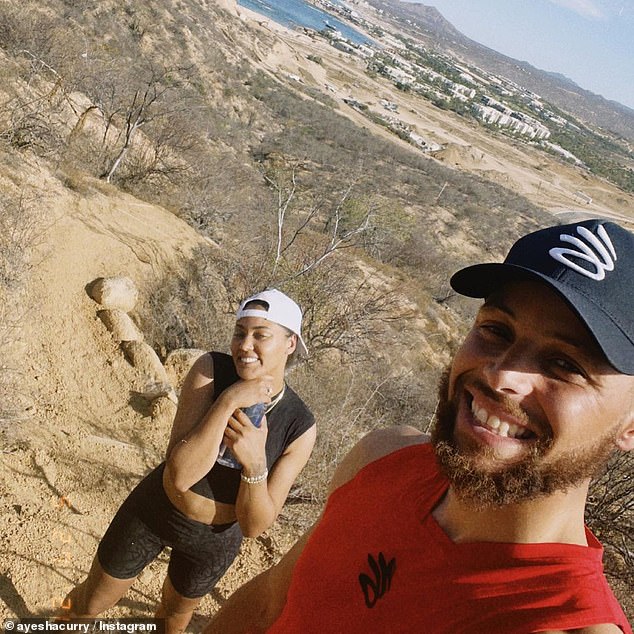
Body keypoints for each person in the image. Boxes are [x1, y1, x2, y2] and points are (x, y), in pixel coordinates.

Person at [205, 219, 634, 634]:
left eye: (565, 364)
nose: (503, 376)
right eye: (496, 330)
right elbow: (266, 607)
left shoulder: (563, 622)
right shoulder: (381, 459)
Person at [61, 288, 316, 632]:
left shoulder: (299, 424)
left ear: (289, 343)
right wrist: (227, 401)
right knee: (90, 603)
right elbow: (180, 474)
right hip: (156, 509)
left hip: (214, 540)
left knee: (173, 620)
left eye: (261, 336)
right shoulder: (212, 370)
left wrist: (255, 464)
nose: (244, 346)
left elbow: (255, 525)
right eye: (240, 333)